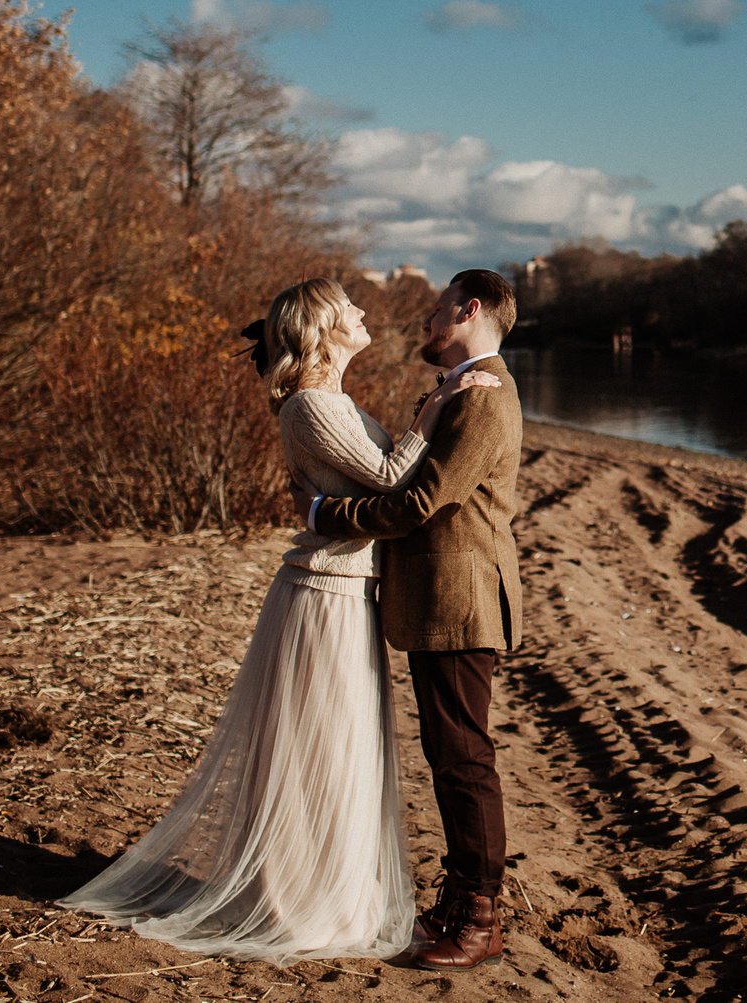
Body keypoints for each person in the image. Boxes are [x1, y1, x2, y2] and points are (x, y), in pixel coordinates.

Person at [60, 278, 492, 962]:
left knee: (340, 748)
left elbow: (379, 477)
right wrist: (438, 404)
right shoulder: (311, 406)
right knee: (319, 748)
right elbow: (388, 477)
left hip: (347, 592)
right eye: (350, 306)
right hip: (323, 595)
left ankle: (329, 894)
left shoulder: (333, 400)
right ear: (322, 326)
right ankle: (301, 901)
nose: (363, 311)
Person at [303, 267, 525, 972]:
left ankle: (479, 919)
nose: (426, 321)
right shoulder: (463, 390)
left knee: (464, 759)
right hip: (442, 599)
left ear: (470, 308)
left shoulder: (484, 398)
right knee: (451, 754)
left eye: (436, 309)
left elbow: (419, 502)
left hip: (461, 600)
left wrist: (323, 514)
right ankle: (461, 902)